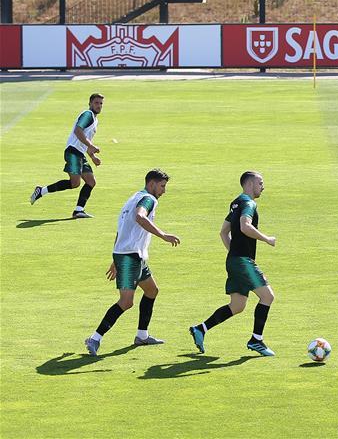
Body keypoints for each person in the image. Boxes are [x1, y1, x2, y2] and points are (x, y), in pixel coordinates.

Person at [84, 169, 180, 356]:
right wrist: (163, 235)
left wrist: (115, 259)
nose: (164, 191)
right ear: (151, 184)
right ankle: (95, 338)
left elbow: (121, 229)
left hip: (131, 254)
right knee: (126, 302)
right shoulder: (148, 200)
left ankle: (142, 336)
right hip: (130, 256)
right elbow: (140, 217)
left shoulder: (133, 197)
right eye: (162, 186)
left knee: (152, 290)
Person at [190, 171, 277, 356]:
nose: (263, 186)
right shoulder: (249, 203)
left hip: (234, 260)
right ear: (250, 184)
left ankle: (201, 329)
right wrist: (266, 238)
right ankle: (257, 340)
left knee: (237, 305)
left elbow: (223, 232)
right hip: (243, 261)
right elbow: (245, 226)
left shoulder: (236, 202)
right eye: (260, 183)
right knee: (267, 296)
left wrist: (234, 255)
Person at [30, 93, 104, 218]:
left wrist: (92, 157)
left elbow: (85, 139)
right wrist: (91, 146)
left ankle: (78, 210)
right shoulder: (88, 115)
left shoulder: (95, 120)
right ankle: (41, 191)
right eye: (96, 103)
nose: (99, 106)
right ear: (90, 103)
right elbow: (78, 131)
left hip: (80, 153)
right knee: (75, 183)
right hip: (73, 152)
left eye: (101, 103)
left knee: (91, 182)